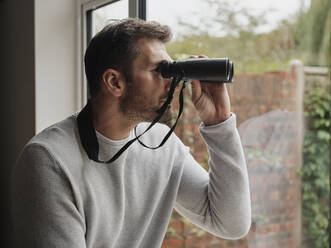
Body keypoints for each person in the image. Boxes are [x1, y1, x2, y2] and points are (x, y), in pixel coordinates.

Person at [11, 18, 251, 248]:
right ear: (114, 82)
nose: (173, 82)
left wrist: (219, 123)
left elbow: (231, 224)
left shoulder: (160, 143)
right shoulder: (49, 160)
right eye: (160, 71)